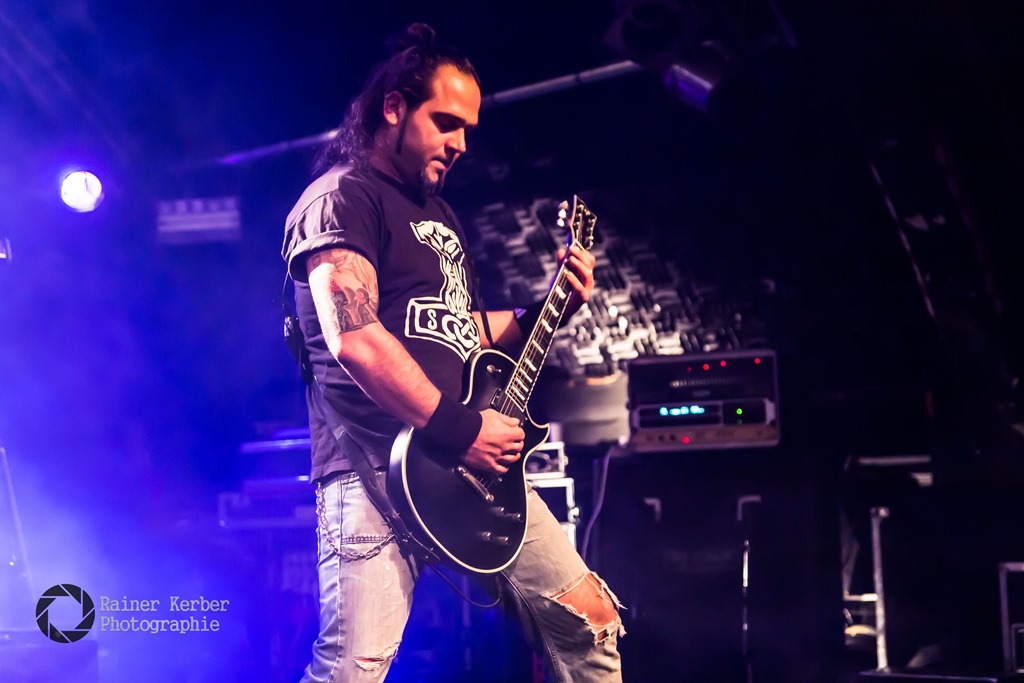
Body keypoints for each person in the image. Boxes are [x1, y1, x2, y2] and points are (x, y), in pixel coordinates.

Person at [281, 23, 623, 683]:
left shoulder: (439, 215)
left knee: (591, 622)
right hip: (375, 471)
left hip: (468, 472)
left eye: (468, 128)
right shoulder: (341, 198)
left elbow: (456, 330)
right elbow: (355, 337)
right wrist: (465, 430)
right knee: (353, 670)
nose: (461, 143)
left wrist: (545, 311)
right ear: (394, 108)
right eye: (446, 122)